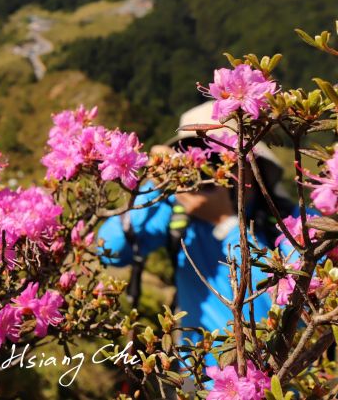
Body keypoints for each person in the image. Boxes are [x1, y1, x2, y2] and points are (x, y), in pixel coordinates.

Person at [97, 102, 294, 368]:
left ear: (253, 162)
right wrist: (159, 183)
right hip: (198, 382)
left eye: (224, 156)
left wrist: (225, 222)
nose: (211, 167)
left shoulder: (293, 222)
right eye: (199, 155)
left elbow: (286, 304)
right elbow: (110, 249)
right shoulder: (180, 214)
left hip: (278, 381)